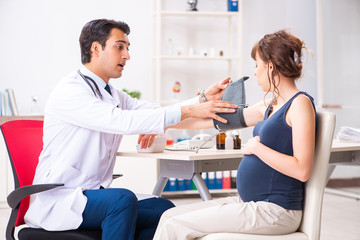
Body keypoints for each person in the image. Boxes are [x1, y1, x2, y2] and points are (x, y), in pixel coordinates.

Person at [24, 19, 237, 240]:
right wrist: (182, 112)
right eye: (119, 47)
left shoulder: (112, 94)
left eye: (127, 48)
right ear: (96, 49)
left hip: (92, 196)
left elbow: (155, 112)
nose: (127, 55)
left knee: (165, 210)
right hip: (61, 199)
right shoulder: (71, 91)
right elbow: (121, 121)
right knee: (121, 201)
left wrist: (202, 100)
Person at [153, 29, 316, 240]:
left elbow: (302, 170)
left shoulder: (299, 104)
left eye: (257, 65)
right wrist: (164, 125)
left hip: (275, 211)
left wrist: (257, 148)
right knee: (169, 216)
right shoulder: (271, 105)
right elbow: (213, 119)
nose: (255, 73)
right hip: (250, 202)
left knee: (175, 226)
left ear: (270, 66)